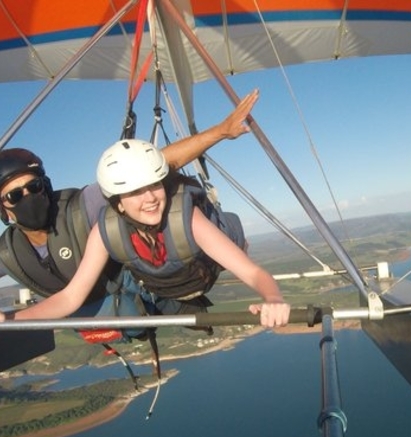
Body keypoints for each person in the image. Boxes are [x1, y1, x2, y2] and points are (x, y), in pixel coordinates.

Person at [0, 90, 259, 339]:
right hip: (92, 307)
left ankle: (180, 297)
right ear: (4, 210)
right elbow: (70, 299)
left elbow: (158, 164)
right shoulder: (10, 253)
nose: (28, 198)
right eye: (14, 196)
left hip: (140, 289)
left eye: (33, 187)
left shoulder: (81, 208)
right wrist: (11, 320)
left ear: (45, 187)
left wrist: (221, 131)